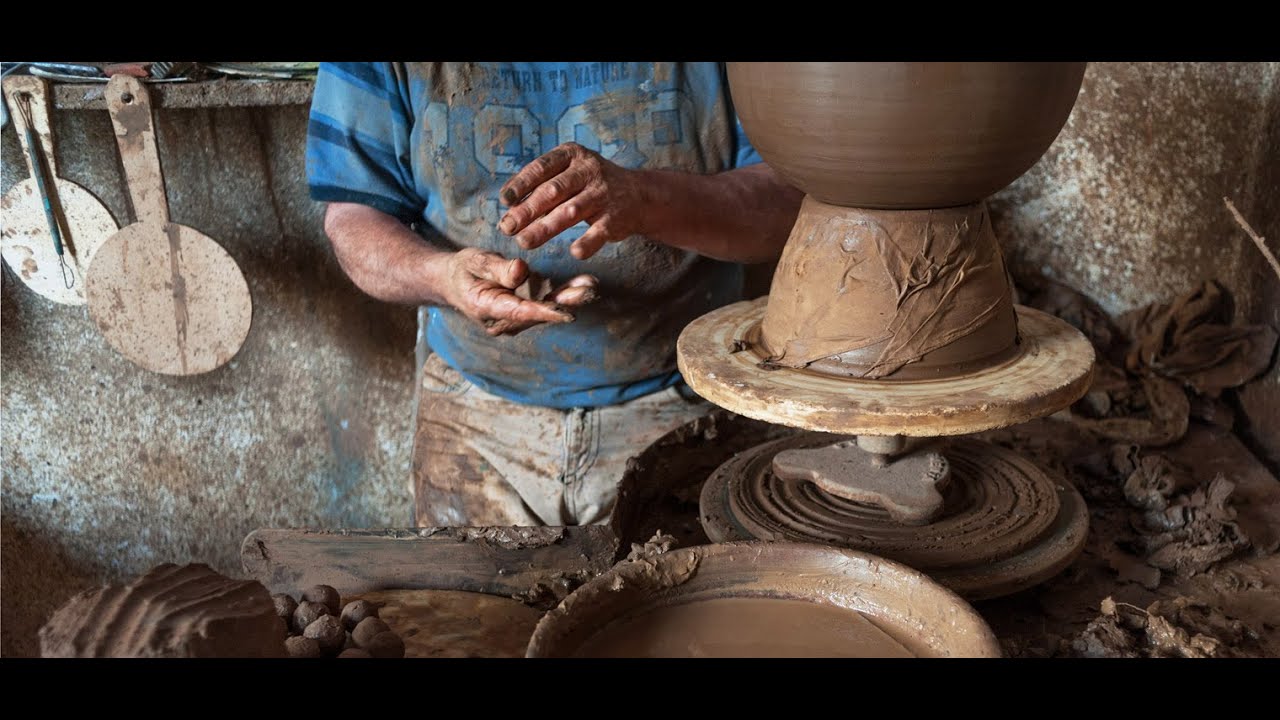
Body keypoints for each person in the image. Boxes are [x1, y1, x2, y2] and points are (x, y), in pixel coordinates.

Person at [306, 62, 802, 527]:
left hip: (683, 405)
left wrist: (645, 199)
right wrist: (443, 277)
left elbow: (789, 199)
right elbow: (353, 217)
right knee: (467, 617)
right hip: (473, 413)